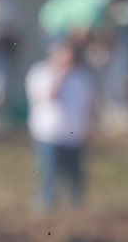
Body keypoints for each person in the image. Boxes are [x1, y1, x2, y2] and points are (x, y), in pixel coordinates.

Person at [24, 33, 96, 213]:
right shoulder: (41, 73)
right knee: (49, 175)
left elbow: (89, 105)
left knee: (75, 179)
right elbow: (49, 95)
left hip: (74, 136)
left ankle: (75, 210)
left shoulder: (82, 77)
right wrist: (62, 74)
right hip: (49, 135)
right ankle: (45, 209)